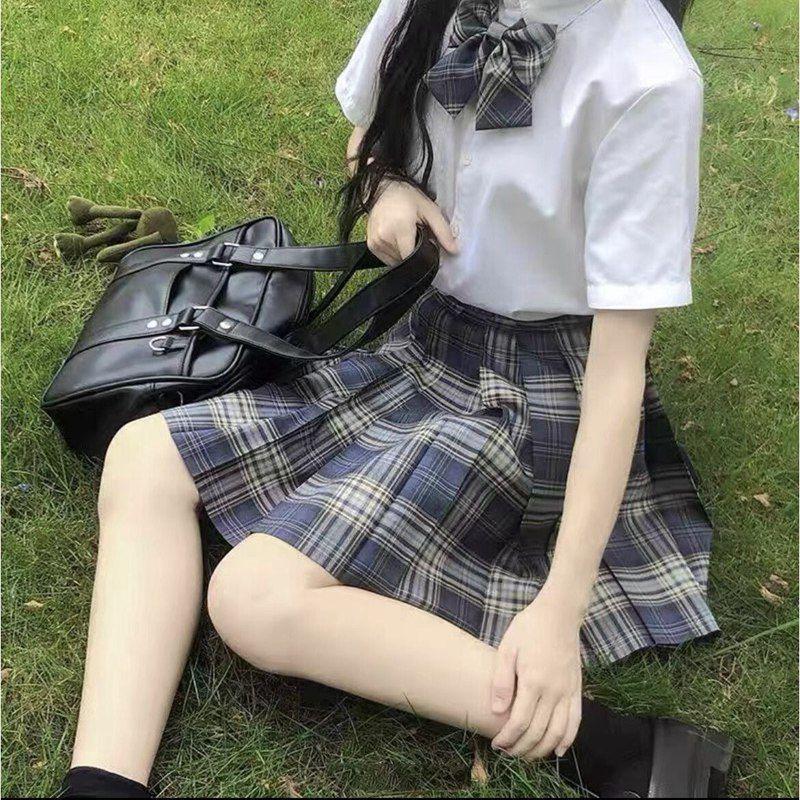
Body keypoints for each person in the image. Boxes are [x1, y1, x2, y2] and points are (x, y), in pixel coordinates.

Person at [59, 1, 734, 797]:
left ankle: (617, 748)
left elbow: (617, 376)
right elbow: (370, 138)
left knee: (252, 597)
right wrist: (385, 189)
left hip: (537, 397)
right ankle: (101, 785)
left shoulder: (648, 77)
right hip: (425, 341)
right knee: (143, 456)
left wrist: (560, 611)